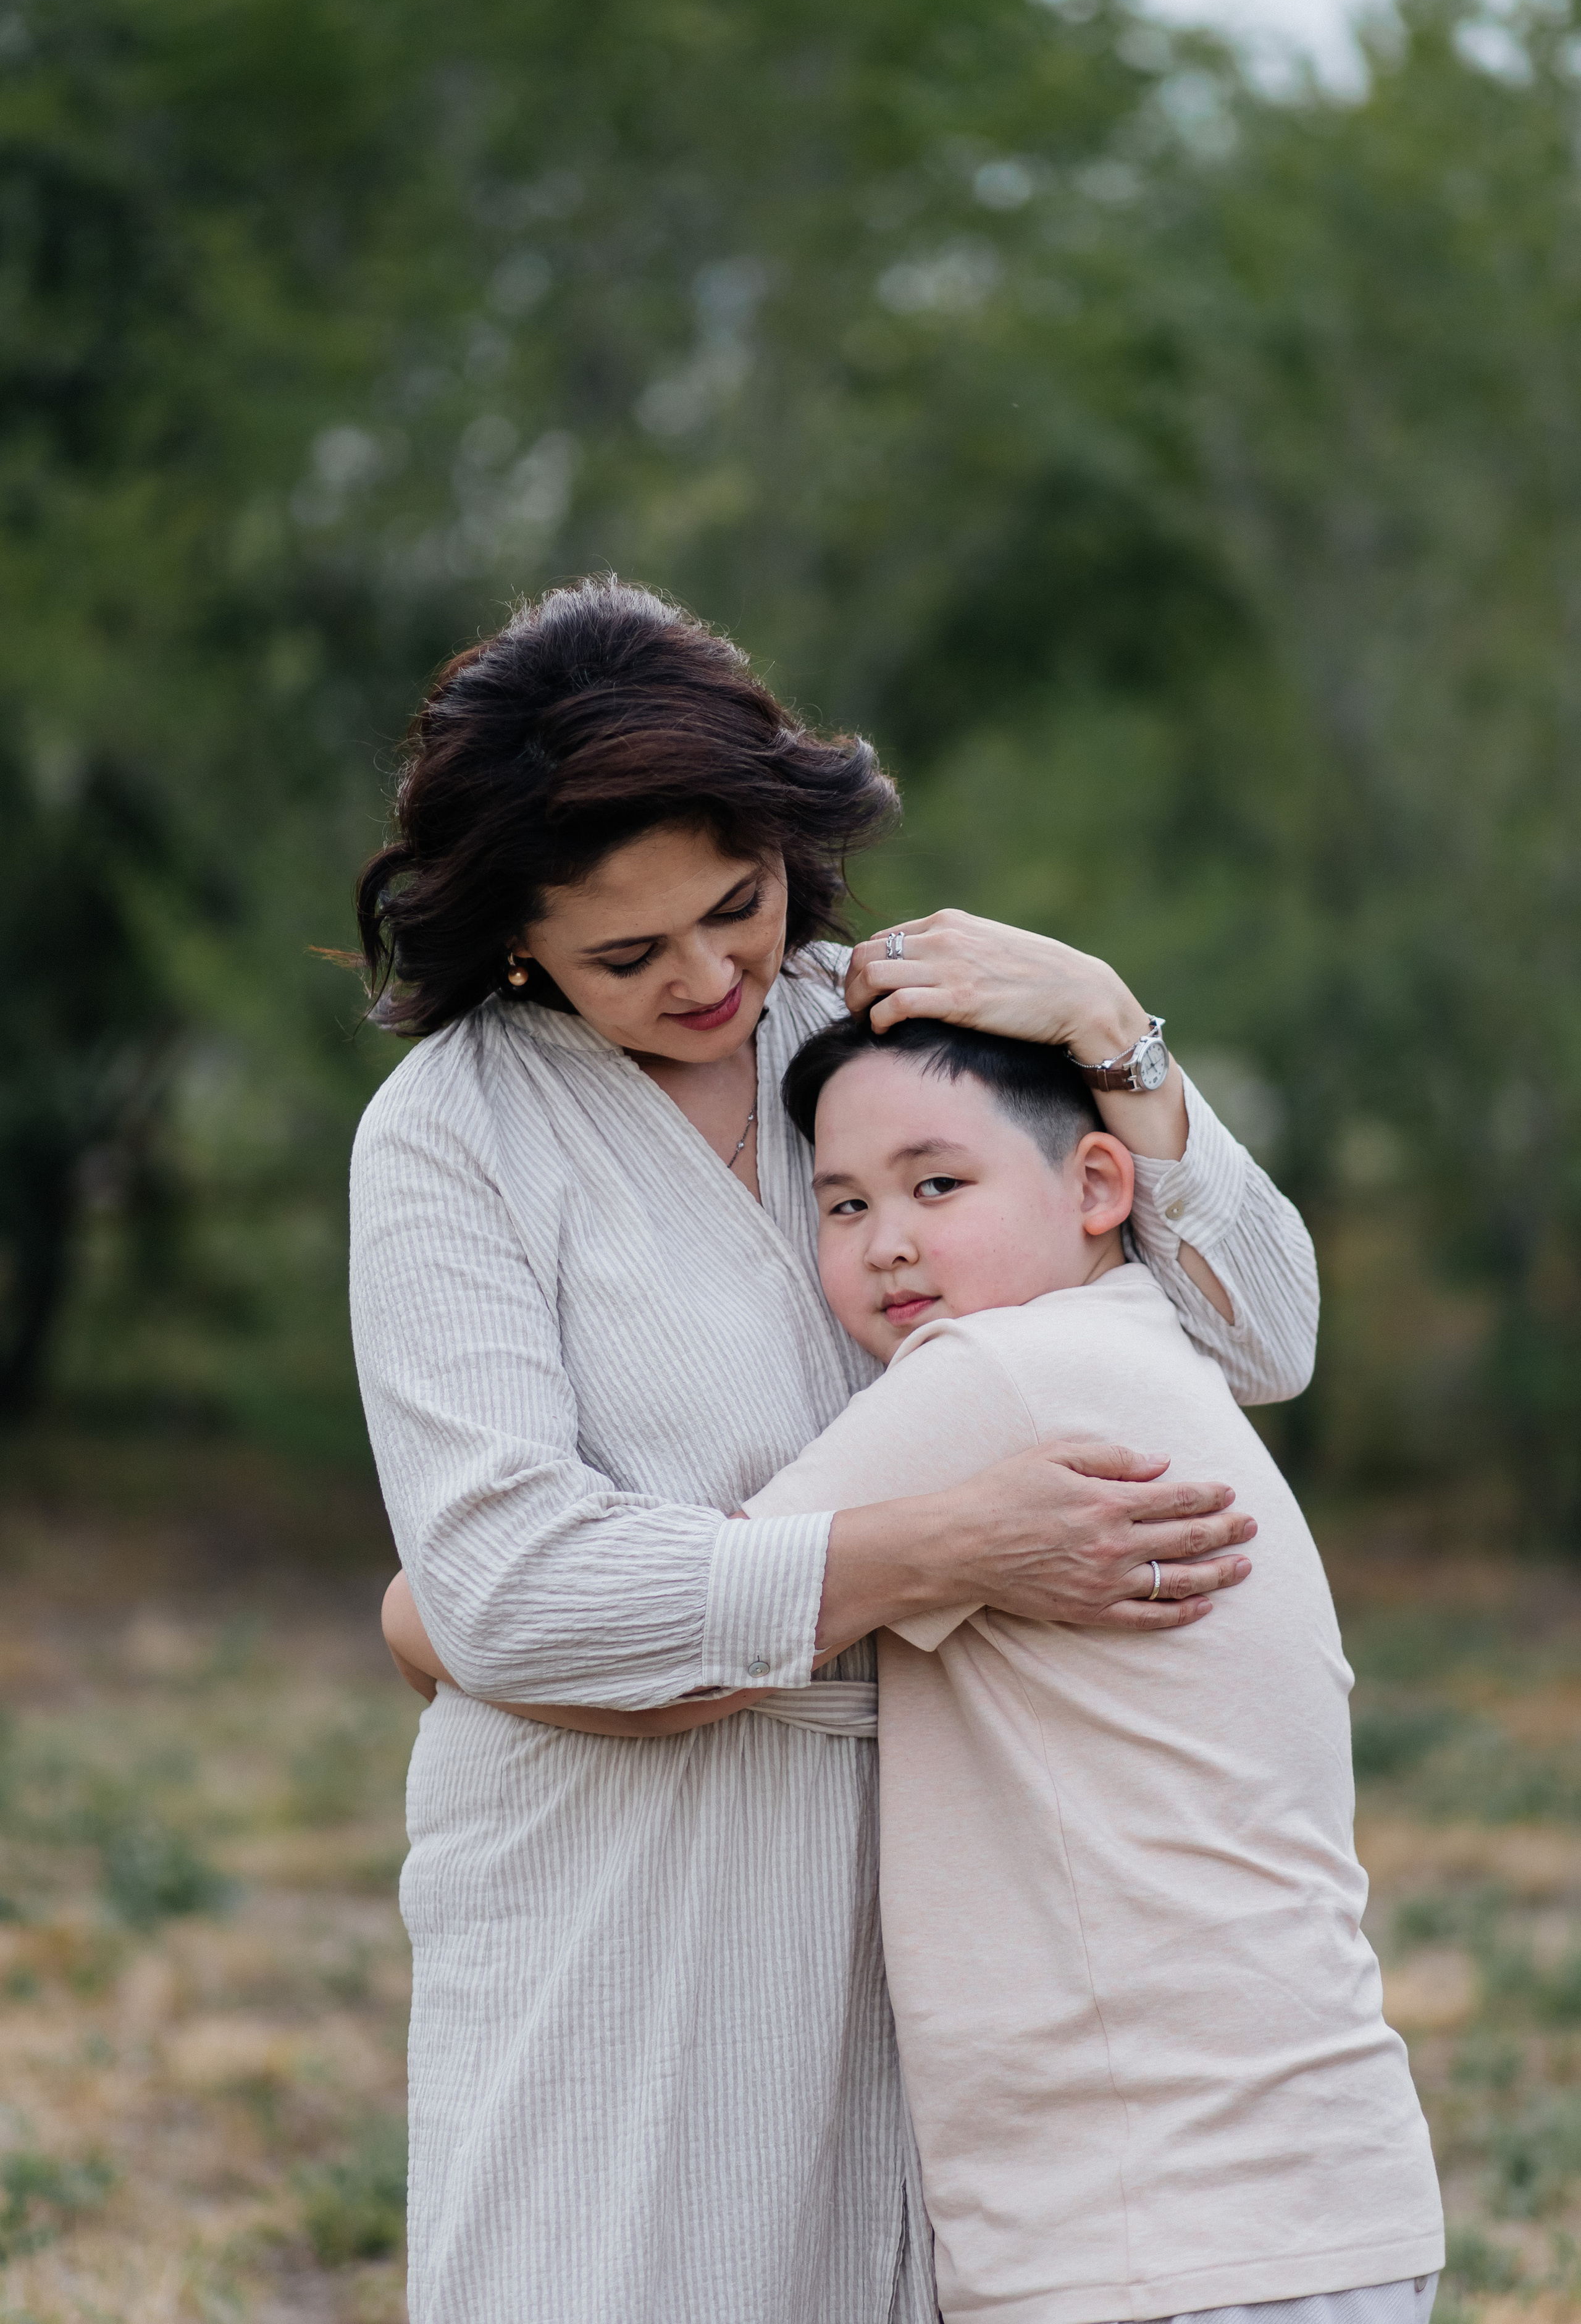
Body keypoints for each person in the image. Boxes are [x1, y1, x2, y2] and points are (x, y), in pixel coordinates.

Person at [348, 574, 1319, 2324]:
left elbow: (1259, 1339)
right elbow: (511, 1594)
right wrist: (950, 1551)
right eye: (627, 956)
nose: (712, 975)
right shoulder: (449, 1136)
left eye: (740, 904)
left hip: (943, 1849)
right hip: (612, 1875)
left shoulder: (884, 1037)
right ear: (513, 938)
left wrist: (1111, 1024)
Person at [747, 1013, 1445, 2324]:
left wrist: (430, 1611)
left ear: (1093, 1187)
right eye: (841, 1203)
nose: (884, 1238)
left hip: (1160, 2221)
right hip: (1301, 2193)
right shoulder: (1141, 1350)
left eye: (934, 1184)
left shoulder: (996, 1370)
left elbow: (680, 1630)